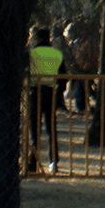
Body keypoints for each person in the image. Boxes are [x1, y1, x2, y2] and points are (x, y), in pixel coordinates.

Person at [27, 26, 64, 174]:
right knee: (51, 130)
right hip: (51, 92)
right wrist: (59, 93)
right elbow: (63, 76)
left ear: (37, 39)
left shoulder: (31, 54)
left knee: (35, 131)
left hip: (35, 92)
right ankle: (54, 161)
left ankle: (33, 162)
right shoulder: (57, 54)